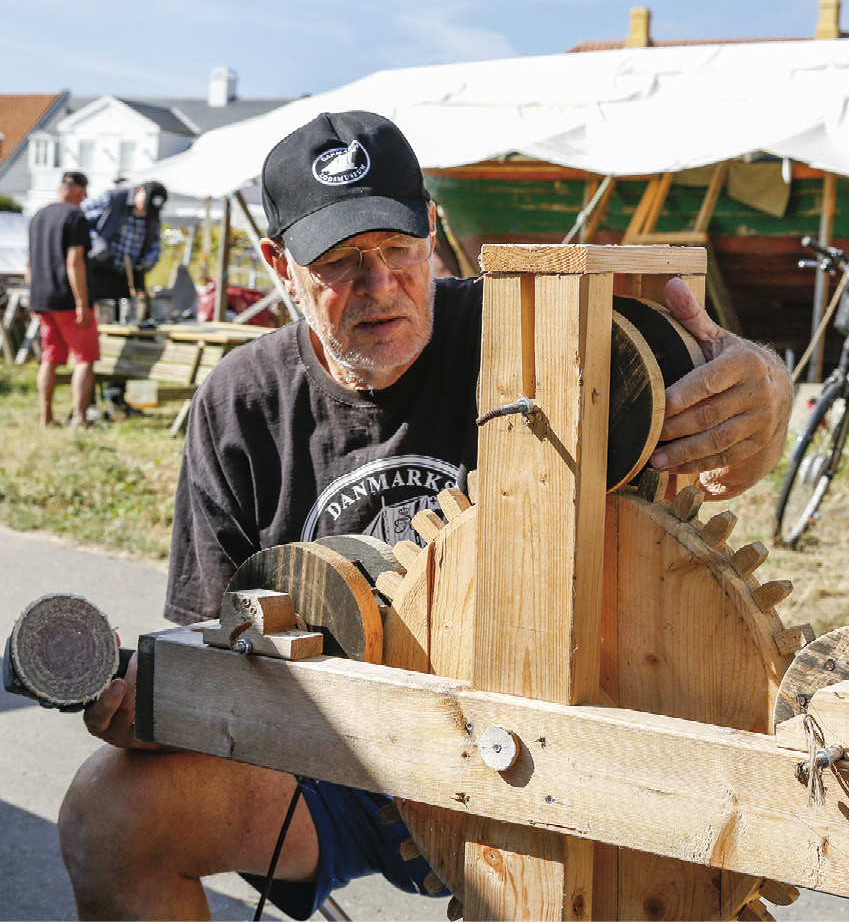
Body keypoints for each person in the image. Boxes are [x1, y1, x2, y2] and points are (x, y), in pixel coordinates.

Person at [58, 111, 793, 920]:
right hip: (340, 766)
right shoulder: (242, 404)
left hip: (562, 755)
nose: (379, 286)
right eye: (339, 262)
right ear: (280, 265)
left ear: (433, 233)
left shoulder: (532, 345)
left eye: (398, 250)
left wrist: (762, 395)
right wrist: (161, 710)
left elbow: (710, 442)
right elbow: (216, 646)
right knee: (110, 817)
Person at [25, 170, 97, 427]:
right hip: (68, 300)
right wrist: (82, 302)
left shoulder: (38, 215)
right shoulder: (74, 215)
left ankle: (46, 417)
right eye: (85, 192)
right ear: (78, 189)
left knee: (50, 358)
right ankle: (79, 417)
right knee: (85, 359)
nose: (85, 197)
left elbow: (30, 262)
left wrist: (34, 297)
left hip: (42, 299)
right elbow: (74, 260)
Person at [81, 180, 168, 308]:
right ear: (139, 191)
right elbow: (79, 220)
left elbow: (155, 244)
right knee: (101, 311)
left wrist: (150, 259)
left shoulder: (153, 216)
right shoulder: (113, 199)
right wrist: (96, 241)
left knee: (126, 314)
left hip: (128, 277)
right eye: (145, 206)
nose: (145, 212)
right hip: (101, 270)